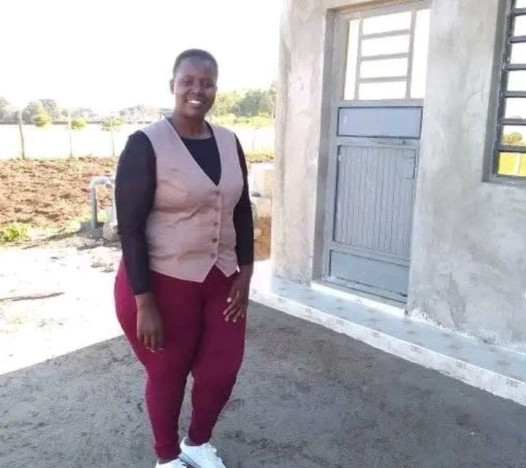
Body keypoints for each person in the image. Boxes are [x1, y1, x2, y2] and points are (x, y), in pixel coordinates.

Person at [114, 49, 254, 468]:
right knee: (168, 373)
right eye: (188, 81)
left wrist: (246, 271)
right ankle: (167, 457)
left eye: (206, 83)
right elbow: (130, 229)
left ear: (216, 89)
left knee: (222, 369)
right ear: (172, 85)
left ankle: (197, 442)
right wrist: (144, 302)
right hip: (162, 281)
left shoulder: (229, 141)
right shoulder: (145, 144)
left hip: (221, 278)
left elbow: (241, 210)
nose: (198, 90)